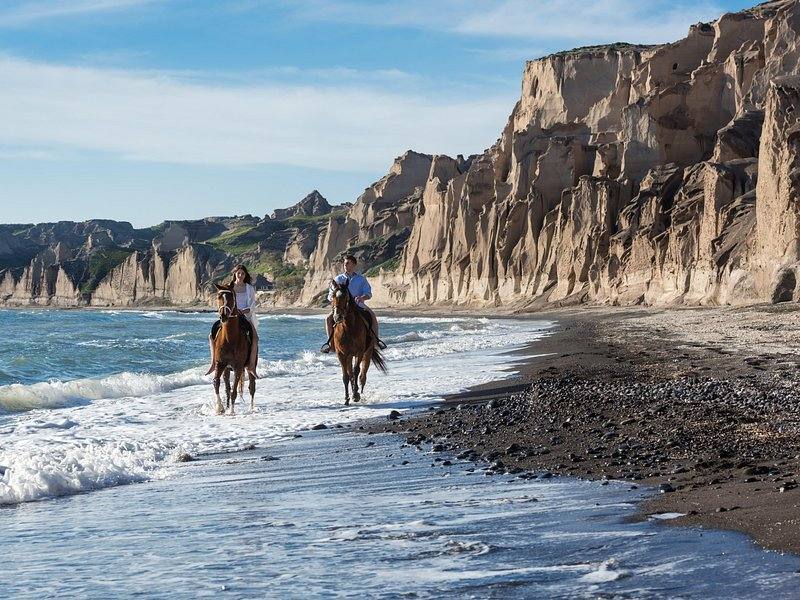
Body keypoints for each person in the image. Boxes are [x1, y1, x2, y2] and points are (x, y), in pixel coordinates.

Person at [321, 254, 385, 353]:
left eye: (347, 263)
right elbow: (330, 295)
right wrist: (335, 299)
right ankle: (330, 344)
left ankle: (376, 341)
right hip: (341, 306)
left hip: (358, 305)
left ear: (354, 265)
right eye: (344, 264)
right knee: (328, 319)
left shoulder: (361, 279)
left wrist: (362, 297)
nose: (345, 265)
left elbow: (368, 293)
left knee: (372, 316)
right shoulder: (338, 279)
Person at [206, 264, 260, 378]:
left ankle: (251, 366)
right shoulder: (229, 287)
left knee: (255, 338)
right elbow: (223, 300)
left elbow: (253, 304)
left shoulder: (249, 288)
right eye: (238, 273)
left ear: (245, 275)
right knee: (211, 335)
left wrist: (246, 310)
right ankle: (213, 363)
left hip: (245, 316)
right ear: (235, 274)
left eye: (243, 273)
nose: (240, 275)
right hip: (229, 316)